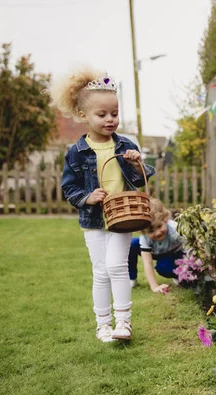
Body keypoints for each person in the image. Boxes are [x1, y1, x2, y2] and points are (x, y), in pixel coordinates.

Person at [51, 68, 155, 342]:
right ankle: (103, 324)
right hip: (94, 220)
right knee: (100, 271)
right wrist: (87, 197)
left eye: (114, 113)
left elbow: (139, 179)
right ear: (84, 116)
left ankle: (124, 322)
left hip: (124, 215)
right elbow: (69, 187)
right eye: (102, 114)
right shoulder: (76, 152)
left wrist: (136, 163)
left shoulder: (125, 144)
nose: (110, 119)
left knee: (116, 266)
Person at [128, 198, 185, 293]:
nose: (157, 233)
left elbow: (190, 250)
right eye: (151, 230)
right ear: (143, 231)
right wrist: (154, 287)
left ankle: (177, 274)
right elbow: (147, 263)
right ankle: (131, 278)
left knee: (163, 267)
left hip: (174, 253)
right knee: (132, 243)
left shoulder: (175, 229)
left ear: (165, 219)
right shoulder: (144, 237)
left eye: (159, 226)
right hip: (156, 251)